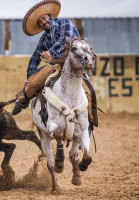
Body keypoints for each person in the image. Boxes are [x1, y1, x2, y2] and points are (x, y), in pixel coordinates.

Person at [12, 0, 98, 131]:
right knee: (34, 83)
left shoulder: (64, 22)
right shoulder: (43, 39)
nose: (43, 22)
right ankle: (23, 99)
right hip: (56, 64)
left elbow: (64, 40)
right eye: (40, 22)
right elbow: (34, 58)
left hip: (74, 62)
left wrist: (50, 53)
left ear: (50, 17)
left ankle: (91, 122)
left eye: (44, 18)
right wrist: (31, 76)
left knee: (89, 92)